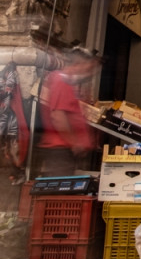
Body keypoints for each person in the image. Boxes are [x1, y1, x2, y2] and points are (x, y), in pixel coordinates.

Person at [36, 47, 100, 177]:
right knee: (59, 190)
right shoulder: (62, 81)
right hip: (60, 150)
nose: (90, 74)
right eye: (88, 69)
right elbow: (57, 116)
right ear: (78, 65)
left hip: (65, 150)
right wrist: (75, 143)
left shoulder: (68, 83)